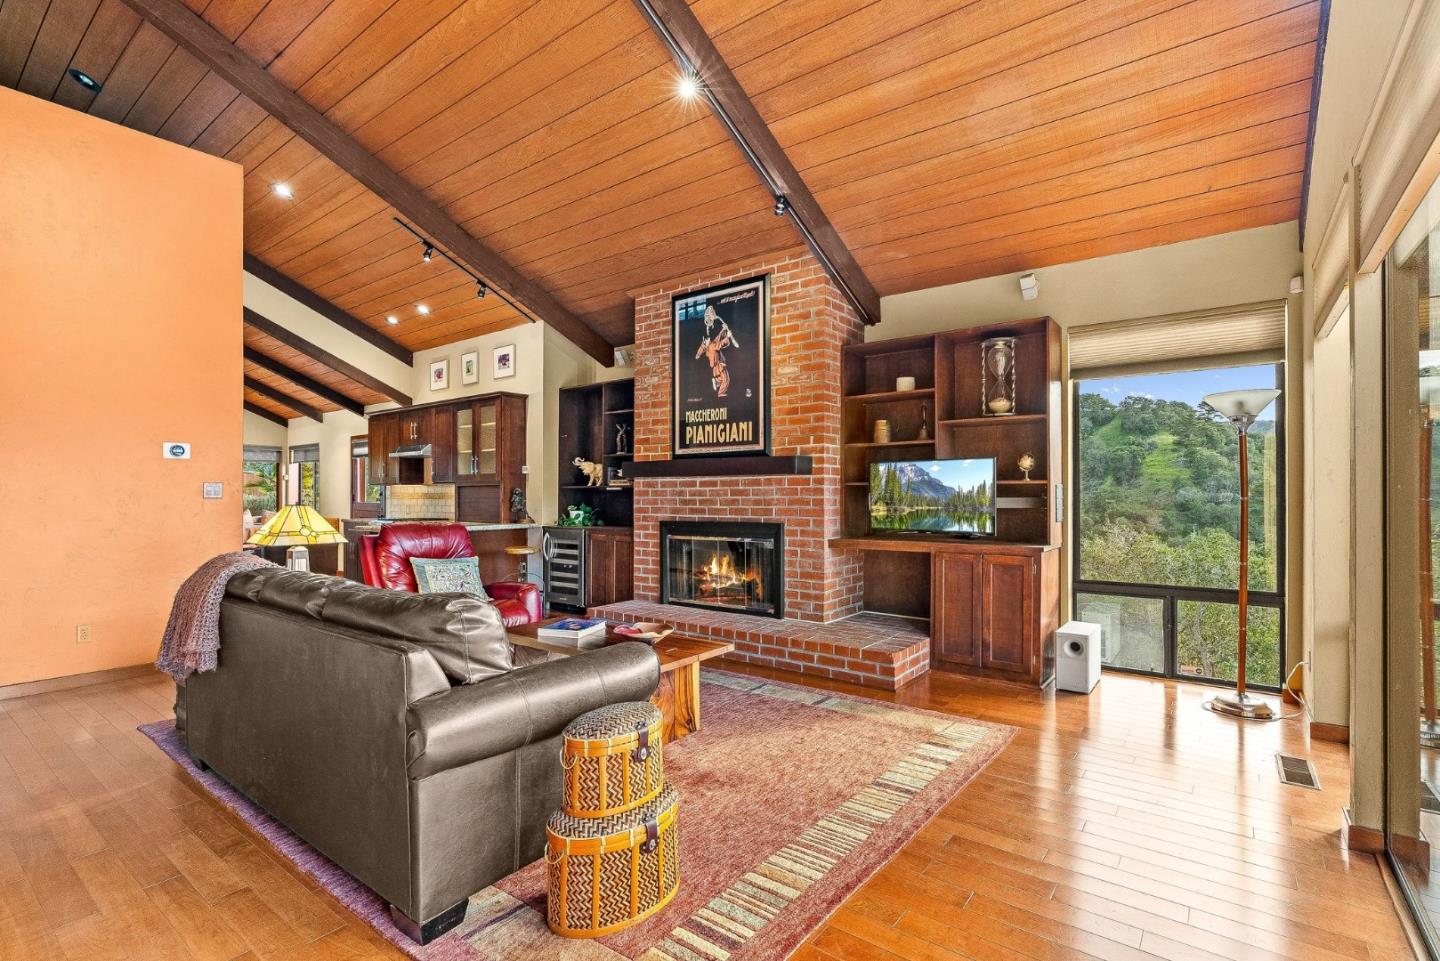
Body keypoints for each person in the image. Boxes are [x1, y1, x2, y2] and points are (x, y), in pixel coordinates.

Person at [695, 305, 738, 397]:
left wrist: (724, 330)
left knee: (721, 378)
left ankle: (716, 382)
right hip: (718, 363)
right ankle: (721, 392)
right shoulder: (712, 345)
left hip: (715, 364)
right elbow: (721, 344)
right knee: (726, 379)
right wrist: (728, 336)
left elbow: (700, 352)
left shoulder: (708, 345)